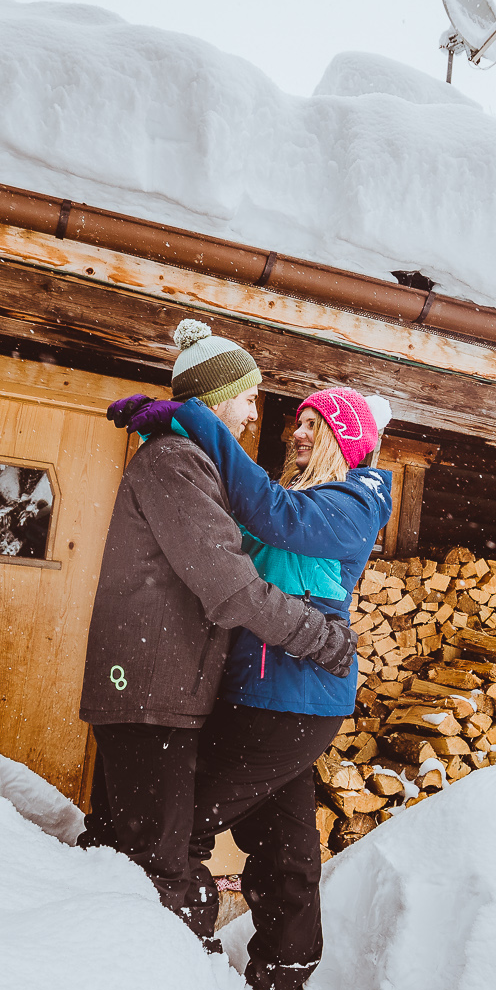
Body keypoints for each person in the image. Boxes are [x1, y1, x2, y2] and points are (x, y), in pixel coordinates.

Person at [113, 381, 393, 990]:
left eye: (315, 423)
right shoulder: (306, 497)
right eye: (299, 421)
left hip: (291, 699)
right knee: (284, 844)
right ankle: (283, 980)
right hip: (263, 695)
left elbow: (273, 515)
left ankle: (181, 961)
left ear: (346, 439)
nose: (298, 432)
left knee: (178, 825)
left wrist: (195, 418)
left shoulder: (357, 500)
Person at [76, 320, 356, 942]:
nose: (256, 413)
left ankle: (105, 958)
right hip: (151, 692)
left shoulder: (191, 460)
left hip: (161, 689)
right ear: (218, 397)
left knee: (129, 847)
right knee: (158, 864)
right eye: (248, 396)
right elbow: (230, 586)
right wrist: (317, 636)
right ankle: (158, 976)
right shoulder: (176, 462)